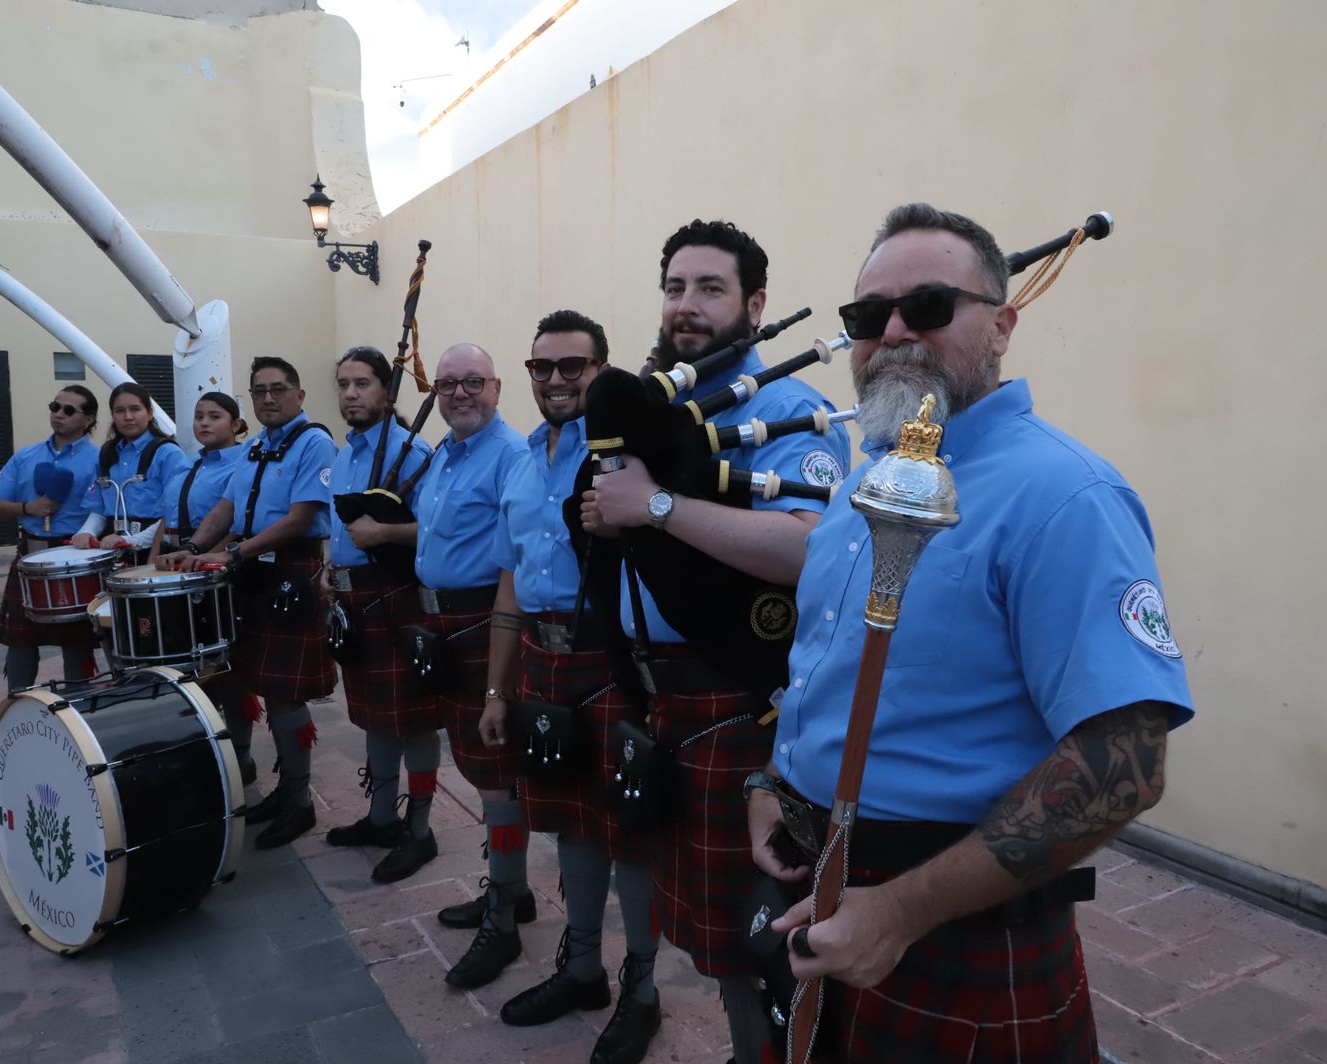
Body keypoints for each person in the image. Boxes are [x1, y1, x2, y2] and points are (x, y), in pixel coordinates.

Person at [749, 203, 1195, 1062]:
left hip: (953, 925)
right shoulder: (864, 481)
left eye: (926, 306)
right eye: (866, 316)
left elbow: (1124, 760)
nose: (892, 332)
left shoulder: (1065, 497)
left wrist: (900, 912)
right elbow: (826, 666)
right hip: (817, 887)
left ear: (1002, 325)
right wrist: (770, 782)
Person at [582, 219, 849, 1064]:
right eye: (674, 288)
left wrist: (655, 507)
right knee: (709, 929)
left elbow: (810, 548)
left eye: (710, 289)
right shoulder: (652, 406)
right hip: (658, 696)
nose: (686, 307)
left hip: (741, 700)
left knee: (757, 933)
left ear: (755, 304)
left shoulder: (786, 408)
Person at [475, 310, 663, 1063]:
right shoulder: (523, 463)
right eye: (541, 367)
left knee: (633, 833)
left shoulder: (636, 452)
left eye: (572, 366)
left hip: (617, 661)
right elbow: (511, 582)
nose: (555, 379)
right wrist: (496, 691)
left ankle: (643, 990)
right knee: (575, 828)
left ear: (601, 368)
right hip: (545, 665)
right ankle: (581, 968)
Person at [352, 342, 531, 988]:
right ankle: (514, 889)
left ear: (498, 386)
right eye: (449, 382)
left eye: (473, 381)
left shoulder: (511, 456)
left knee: (497, 779)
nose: (459, 392)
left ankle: (505, 915)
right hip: (446, 623)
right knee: (483, 768)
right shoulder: (447, 458)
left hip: (489, 622)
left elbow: (515, 561)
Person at [158, 357, 338, 849]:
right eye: (259, 391)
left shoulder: (314, 442)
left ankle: (299, 802)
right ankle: (284, 792)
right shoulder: (256, 445)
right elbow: (229, 509)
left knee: (286, 692)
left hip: (291, 572)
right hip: (254, 573)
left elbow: (302, 517)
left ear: (299, 395)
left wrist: (234, 551)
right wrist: (194, 548)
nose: (268, 399)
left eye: (278, 389)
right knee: (254, 679)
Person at [319, 347, 444, 885]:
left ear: (388, 392)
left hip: (396, 596)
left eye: (362, 383)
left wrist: (386, 535)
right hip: (351, 599)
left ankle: (419, 829)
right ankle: (380, 817)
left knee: (412, 720)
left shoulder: (411, 452)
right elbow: (339, 526)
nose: (351, 393)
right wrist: (329, 565)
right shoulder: (346, 454)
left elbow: (439, 528)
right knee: (372, 716)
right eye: (343, 383)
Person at [152, 391, 260, 785]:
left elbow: (237, 521)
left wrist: (204, 560)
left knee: (223, 669)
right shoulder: (187, 465)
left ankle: (241, 756)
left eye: (215, 416)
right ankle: (204, 748)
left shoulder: (243, 464)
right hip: (177, 567)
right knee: (184, 667)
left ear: (236, 425)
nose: (204, 423)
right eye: (198, 416)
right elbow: (168, 524)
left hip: (213, 573)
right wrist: (153, 565)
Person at [0, 386, 103, 693]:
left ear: (88, 419)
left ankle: (79, 711)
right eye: (55, 406)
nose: (58, 414)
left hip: (75, 556)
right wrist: (28, 508)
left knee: (76, 643)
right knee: (20, 641)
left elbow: (105, 509)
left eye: (68, 410)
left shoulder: (100, 459)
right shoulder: (26, 455)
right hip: (30, 553)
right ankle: (17, 706)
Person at [73, 381, 189, 561]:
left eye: (135, 409)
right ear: (113, 415)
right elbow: (99, 507)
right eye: (120, 411)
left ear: (149, 413)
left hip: (155, 550)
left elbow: (174, 513)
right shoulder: (106, 453)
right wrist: (86, 531)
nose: (128, 417)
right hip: (114, 547)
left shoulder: (168, 453)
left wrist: (131, 539)